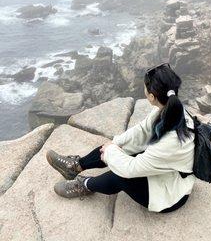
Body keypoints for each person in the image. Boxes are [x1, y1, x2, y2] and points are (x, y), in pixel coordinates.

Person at [46, 62, 196, 213]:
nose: (143, 88)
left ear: (152, 96)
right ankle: (76, 166)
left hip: (171, 193)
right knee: (122, 146)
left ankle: (84, 185)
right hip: (165, 168)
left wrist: (110, 152)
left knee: (121, 175)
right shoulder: (170, 110)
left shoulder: (172, 141)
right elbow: (142, 129)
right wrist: (116, 142)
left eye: (144, 87)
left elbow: (131, 169)